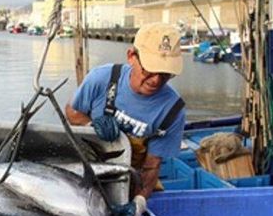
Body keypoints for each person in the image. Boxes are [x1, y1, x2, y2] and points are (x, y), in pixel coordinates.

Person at [65, 22, 186, 199]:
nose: (156, 80)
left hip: (132, 179)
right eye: (150, 70)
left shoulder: (172, 110)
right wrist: (91, 124)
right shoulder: (102, 79)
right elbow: (72, 112)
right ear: (131, 56)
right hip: (85, 170)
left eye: (165, 73)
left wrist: (137, 204)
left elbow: (151, 166)